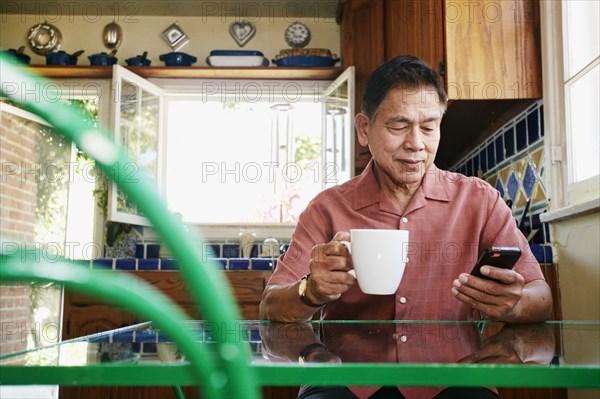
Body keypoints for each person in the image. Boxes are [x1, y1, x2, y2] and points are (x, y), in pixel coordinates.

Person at [259, 55, 553, 399]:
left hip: (454, 377)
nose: (416, 143)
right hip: (345, 379)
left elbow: (541, 296)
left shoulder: (480, 200)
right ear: (364, 129)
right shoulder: (327, 208)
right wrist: (311, 291)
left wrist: (515, 303)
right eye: (399, 126)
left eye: (429, 127)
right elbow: (270, 309)